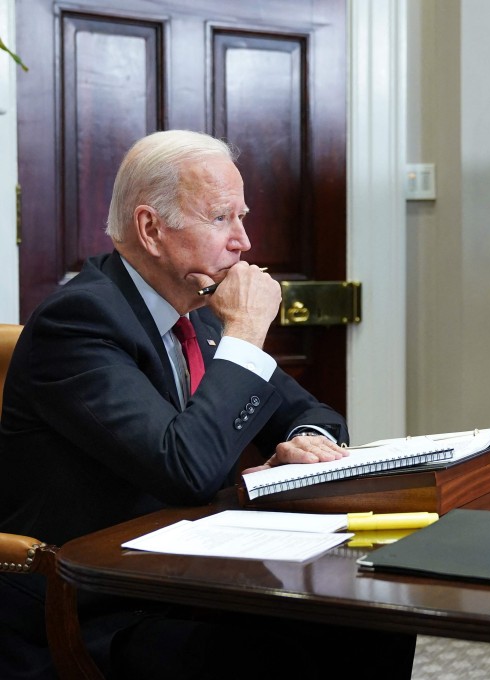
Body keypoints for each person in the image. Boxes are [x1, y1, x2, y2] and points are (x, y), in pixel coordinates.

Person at [0, 130, 416, 679]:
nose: (244, 241)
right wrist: (246, 330)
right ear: (151, 228)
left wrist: (307, 444)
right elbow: (184, 469)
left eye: (242, 217)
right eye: (222, 218)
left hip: (187, 575)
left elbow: (315, 415)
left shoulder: (198, 313)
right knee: (278, 653)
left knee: (374, 615)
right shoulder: (79, 322)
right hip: (94, 604)